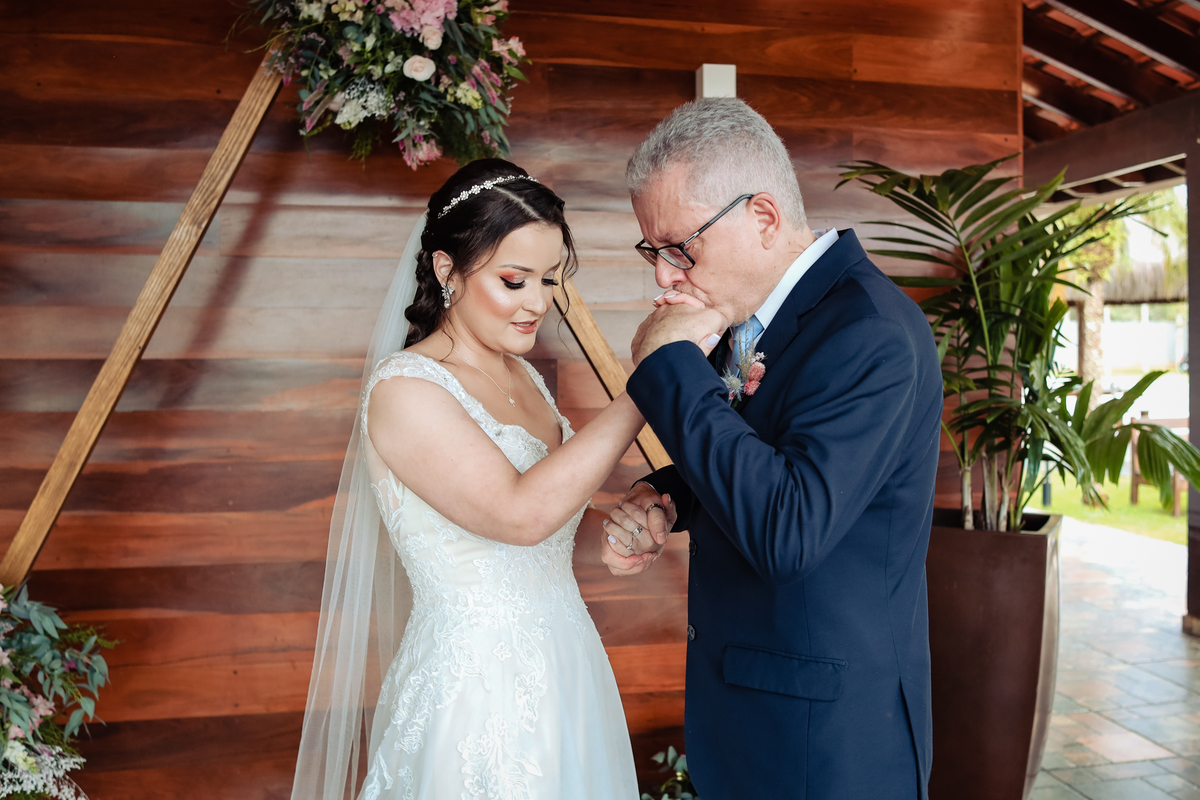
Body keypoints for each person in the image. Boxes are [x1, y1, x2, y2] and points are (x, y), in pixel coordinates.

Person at [291, 159, 724, 800]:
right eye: (515, 280)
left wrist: (630, 525)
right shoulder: (405, 389)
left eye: (550, 280)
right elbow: (521, 515)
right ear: (448, 272)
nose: (537, 303)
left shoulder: (523, 378)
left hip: (568, 671)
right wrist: (651, 382)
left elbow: (557, 507)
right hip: (475, 693)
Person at [600, 99, 943, 799]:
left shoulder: (870, 332)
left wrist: (670, 368)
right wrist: (669, 494)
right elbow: (763, 454)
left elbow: (789, 528)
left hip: (828, 743)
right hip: (755, 718)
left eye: (678, 247)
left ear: (762, 216)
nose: (664, 277)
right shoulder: (757, 320)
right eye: (652, 252)